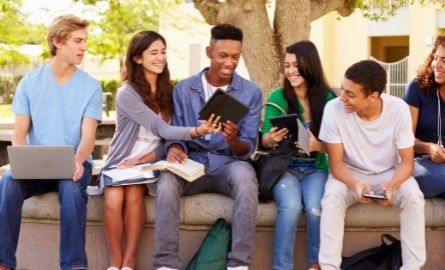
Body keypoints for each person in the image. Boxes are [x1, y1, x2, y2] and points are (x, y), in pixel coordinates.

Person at [100, 31, 220, 270]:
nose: (160, 58)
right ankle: (115, 262)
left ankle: (130, 260)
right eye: (153, 53)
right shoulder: (127, 93)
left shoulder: (170, 91)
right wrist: (196, 132)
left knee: (134, 194)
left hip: (152, 161)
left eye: (163, 52)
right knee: (113, 196)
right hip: (122, 161)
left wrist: (149, 157)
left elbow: (166, 137)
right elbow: (160, 128)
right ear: (137, 58)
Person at [153, 24, 262, 270]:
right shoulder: (183, 90)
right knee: (167, 183)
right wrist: (175, 148)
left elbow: (247, 148)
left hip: (229, 163)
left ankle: (238, 263)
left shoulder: (251, 92)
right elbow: (176, 132)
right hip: (193, 162)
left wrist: (233, 139)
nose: (230, 63)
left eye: (235, 57)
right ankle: (166, 263)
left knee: (246, 178)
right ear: (209, 52)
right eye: (223, 55)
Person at [0, 15, 103, 270]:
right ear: (57, 41)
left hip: (75, 164)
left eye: (85, 41)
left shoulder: (91, 86)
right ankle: (3, 262)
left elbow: (89, 136)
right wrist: (23, 160)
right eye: (78, 41)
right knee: (8, 182)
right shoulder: (30, 83)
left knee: (70, 188)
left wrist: (78, 161)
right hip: (38, 166)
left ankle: (74, 266)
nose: (84, 47)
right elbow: (20, 132)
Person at [318, 60, 426, 270]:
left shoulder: (398, 109)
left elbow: (407, 164)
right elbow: (336, 164)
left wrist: (393, 185)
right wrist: (355, 184)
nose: (342, 98)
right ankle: (329, 267)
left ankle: (412, 267)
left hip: (389, 173)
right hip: (348, 173)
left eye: (351, 94)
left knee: (414, 197)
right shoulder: (333, 109)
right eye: (342, 89)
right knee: (332, 198)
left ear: (373, 96)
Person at [261, 41, 335, 270]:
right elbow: (264, 139)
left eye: (296, 65)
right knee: (291, 207)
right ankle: (282, 267)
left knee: (315, 208)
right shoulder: (278, 96)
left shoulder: (329, 99)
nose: (290, 71)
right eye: (287, 65)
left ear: (309, 65)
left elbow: (338, 144)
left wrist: (318, 145)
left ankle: (316, 264)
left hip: (316, 168)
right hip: (285, 168)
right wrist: (271, 139)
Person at [404, 35, 445, 198]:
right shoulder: (417, 88)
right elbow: (405, 139)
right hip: (421, 163)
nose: (437, 65)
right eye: (435, 58)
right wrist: (429, 147)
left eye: (444, 59)